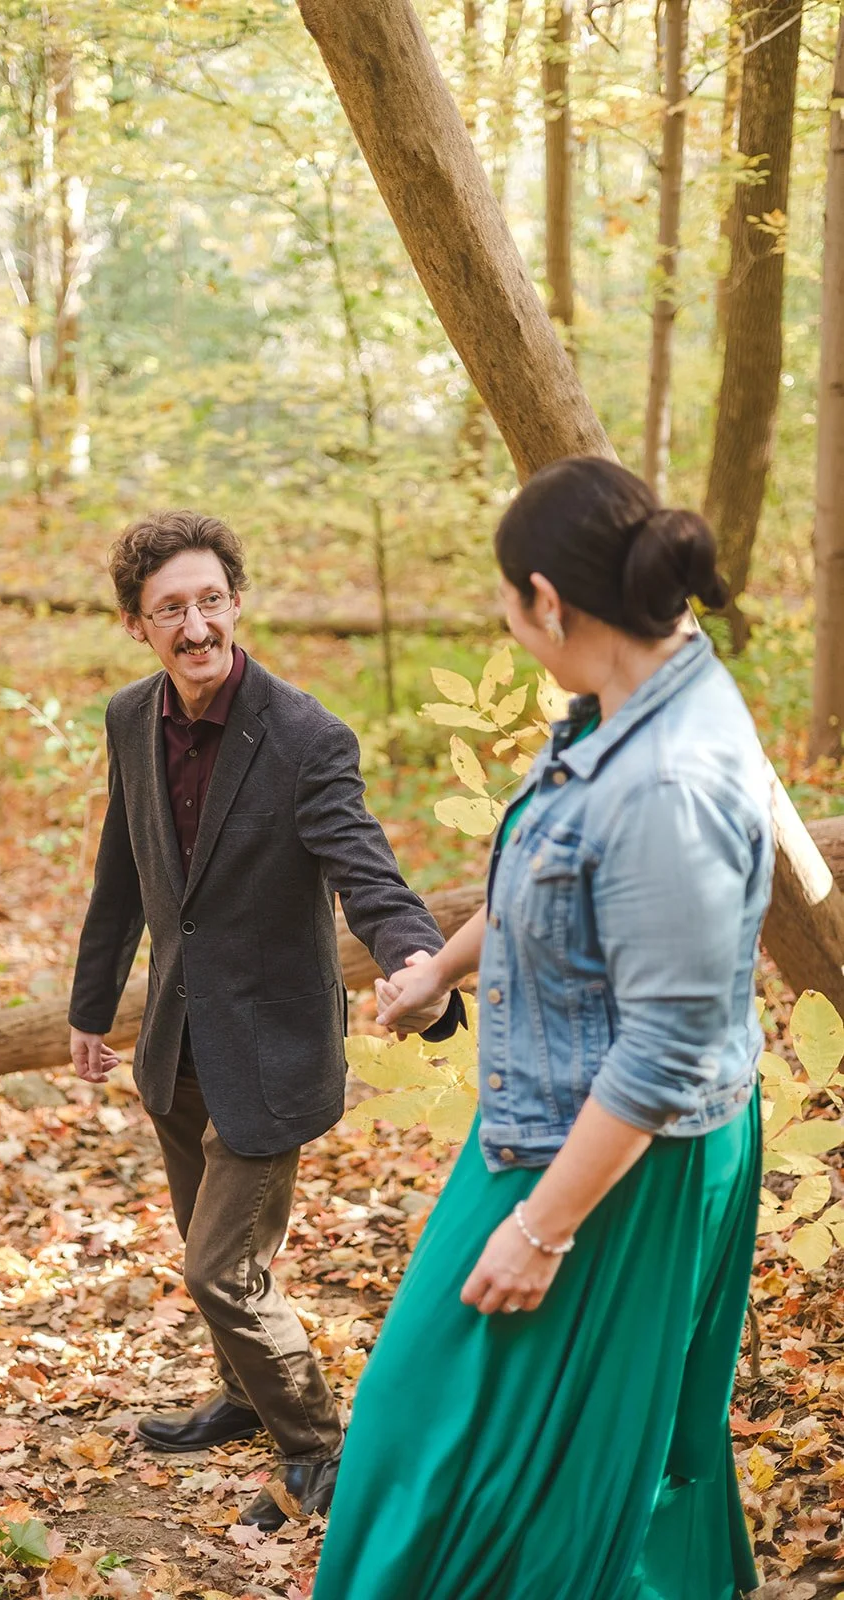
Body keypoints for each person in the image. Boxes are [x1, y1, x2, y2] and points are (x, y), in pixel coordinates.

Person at [312, 457, 772, 1600]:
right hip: (555, 1121)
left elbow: (665, 1046)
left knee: (521, 1443)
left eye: (507, 609)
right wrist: (435, 968)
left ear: (549, 601)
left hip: (621, 1156)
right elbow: (550, 876)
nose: (510, 629)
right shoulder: (620, 699)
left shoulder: (669, 779)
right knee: (445, 1419)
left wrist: (545, 1229)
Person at [67, 509, 463, 1531]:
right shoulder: (127, 718)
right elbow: (122, 872)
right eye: (169, 610)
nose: (193, 626)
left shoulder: (303, 737)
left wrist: (415, 960)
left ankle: (317, 1443)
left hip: (275, 1049)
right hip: (176, 1044)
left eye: (208, 601)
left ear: (235, 602)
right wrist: (90, 1006)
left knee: (218, 1266)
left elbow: (363, 871)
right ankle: (241, 1397)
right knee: (217, 1257)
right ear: (136, 624)